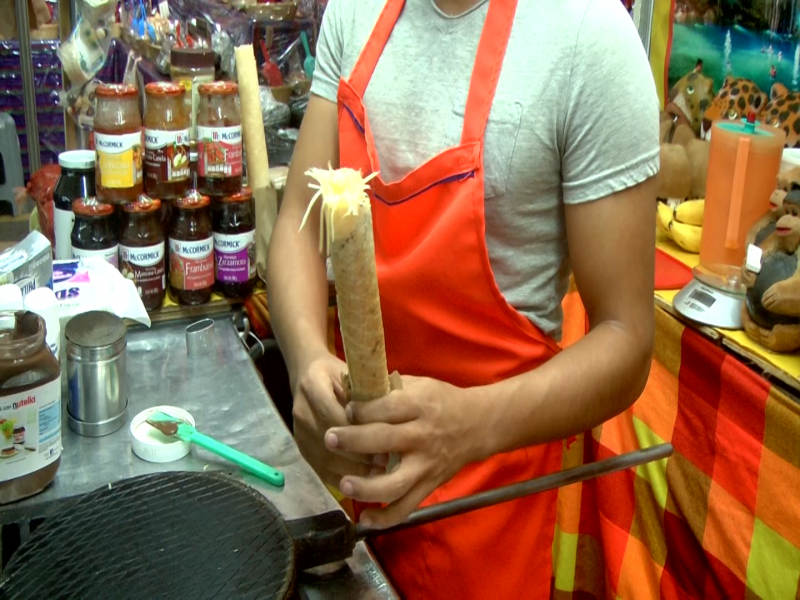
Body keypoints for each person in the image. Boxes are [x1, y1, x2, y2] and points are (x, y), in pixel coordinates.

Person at [266, 0, 659, 597]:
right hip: (346, 479)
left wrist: (465, 427)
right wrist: (307, 363)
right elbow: (300, 216)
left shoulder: (590, 38)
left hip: (486, 511)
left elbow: (626, 340)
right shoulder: (355, 11)